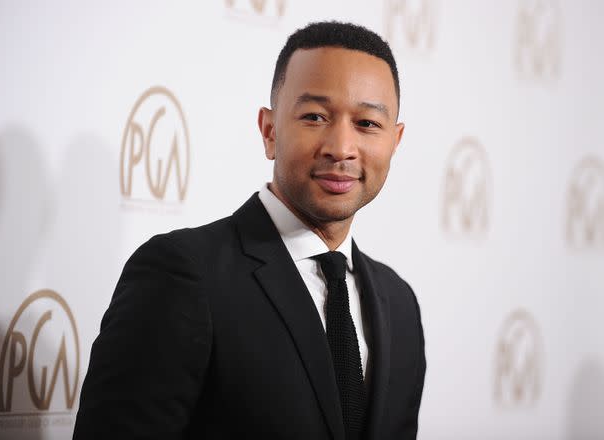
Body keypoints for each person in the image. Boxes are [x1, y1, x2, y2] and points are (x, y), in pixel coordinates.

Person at [73, 21, 425, 440]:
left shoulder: (399, 305)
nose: (341, 148)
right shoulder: (184, 275)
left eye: (367, 123)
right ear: (270, 130)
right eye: (314, 116)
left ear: (395, 141)